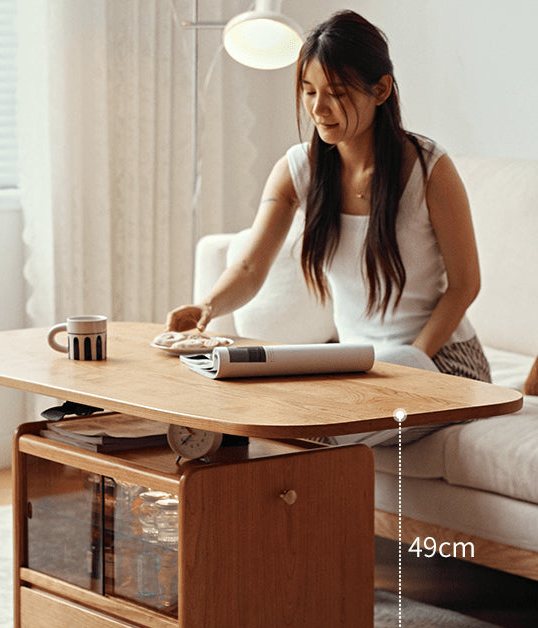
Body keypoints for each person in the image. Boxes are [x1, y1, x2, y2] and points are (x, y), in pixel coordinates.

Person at [166, 10, 491, 445]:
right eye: (309, 91)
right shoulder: (298, 168)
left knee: (318, 428)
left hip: (442, 361)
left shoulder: (430, 169)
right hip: (359, 366)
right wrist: (206, 307)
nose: (319, 108)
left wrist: (411, 358)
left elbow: (465, 284)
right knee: (261, 406)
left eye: (336, 93)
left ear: (381, 89)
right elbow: (249, 268)